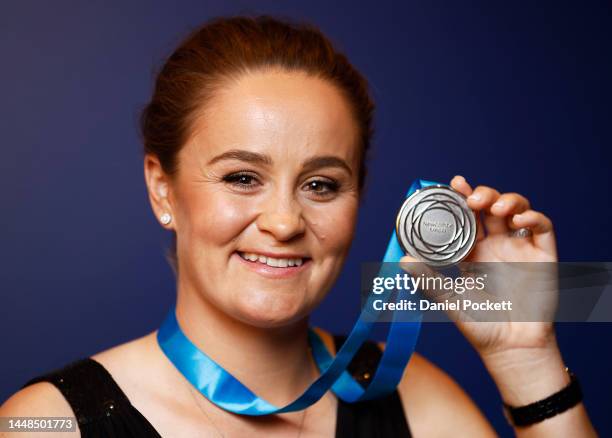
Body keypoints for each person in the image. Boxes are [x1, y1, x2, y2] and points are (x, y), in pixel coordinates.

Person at [0, 15, 597, 437]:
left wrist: (526, 355)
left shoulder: (414, 396)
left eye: (321, 185)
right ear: (163, 188)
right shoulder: (47, 422)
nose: (285, 222)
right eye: (241, 177)